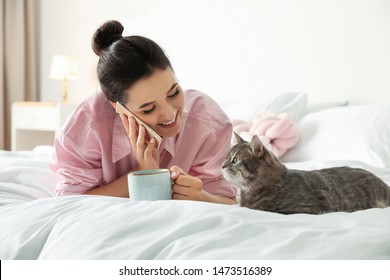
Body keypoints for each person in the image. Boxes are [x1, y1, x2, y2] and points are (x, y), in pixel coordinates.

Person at [49, 20, 237, 204]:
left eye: (173, 93)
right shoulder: (85, 130)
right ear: (119, 108)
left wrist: (202, 197)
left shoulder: (208, 123)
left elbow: (229, 201)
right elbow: (70, 203)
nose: (170, 114)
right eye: (149, 108)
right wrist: (143, 171)